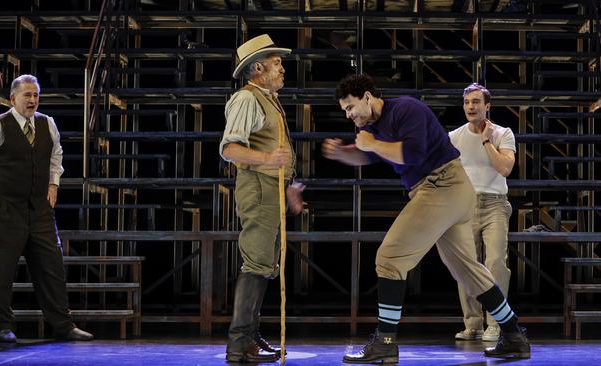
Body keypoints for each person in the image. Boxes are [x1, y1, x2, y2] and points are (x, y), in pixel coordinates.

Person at [322, 74, 529, 363]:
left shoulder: (405, 109)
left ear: (367, 97)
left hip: (442, 186)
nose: (349, 115)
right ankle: (515, 336)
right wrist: (345, 154)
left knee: (389, 258)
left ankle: (385, 341)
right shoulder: (377, 127)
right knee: (468, 270)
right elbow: (368, 157)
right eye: (345, 110)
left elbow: (413, 154)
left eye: (350, 106)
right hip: (447, 190)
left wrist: (371, 144)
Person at [0, 74, 93, 343]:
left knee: (51, 268)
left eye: (36, 95)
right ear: (13, 98)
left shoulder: (47, 124)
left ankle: (63, 325)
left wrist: (54, 183)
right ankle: (3, 326)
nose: (32, 100)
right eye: (27, 95)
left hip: (39, 209)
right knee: (0, 270)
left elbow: (56, 154)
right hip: (5, 208)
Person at [219, 34, 304, 363]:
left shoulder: (268, 99)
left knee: (265, 262)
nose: (282, 68)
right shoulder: (247, 98)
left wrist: (288, 187)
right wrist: (269, 161)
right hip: (256, 184)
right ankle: (240, 342)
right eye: (276, 63)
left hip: (271, 187)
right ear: (258, 67)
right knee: (257, 260)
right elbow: (230, 149)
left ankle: (248, 337)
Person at [451, 83, 516, 342]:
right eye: (467, 102)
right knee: (466, 265)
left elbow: (504, 168)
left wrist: (486, 139)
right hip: (465, 206)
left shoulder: (503, 133)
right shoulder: (454, 136)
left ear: (487, 106)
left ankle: (496, 323)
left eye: (476, 102)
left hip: (495, 205)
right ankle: (473, 324)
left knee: (495, 263)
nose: (471, 107)